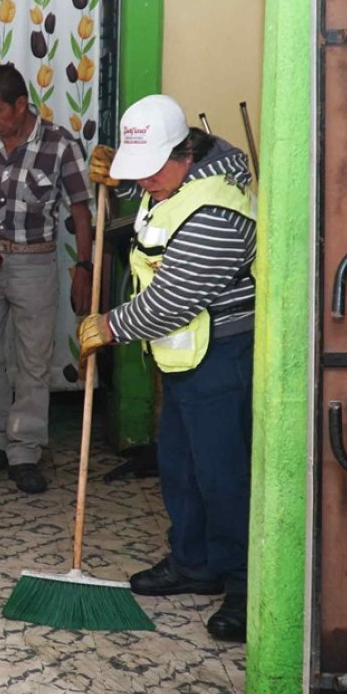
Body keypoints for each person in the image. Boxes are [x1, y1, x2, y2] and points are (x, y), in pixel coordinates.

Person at [79, 93, 256, 643]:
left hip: (223, 358)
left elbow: (172, 299)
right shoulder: (177, 179)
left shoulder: (220, 211)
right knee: (180, 465)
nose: (144, 182)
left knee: (225, 477)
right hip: (184, 357)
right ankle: (194, 562)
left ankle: (246, 586)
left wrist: (110, 326)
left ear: (184, 152)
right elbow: (157, 217)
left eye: (149, 171)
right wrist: (121, 180)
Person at [0, 63, 94, 493]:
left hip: (35, 264)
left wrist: (84, 267)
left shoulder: (60, 145)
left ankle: (24, 449)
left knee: (33, 361)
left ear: (21, 105)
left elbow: (80, 209)